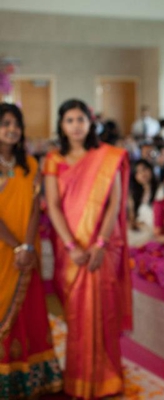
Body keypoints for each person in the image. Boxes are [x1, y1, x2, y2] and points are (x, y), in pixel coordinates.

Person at [43, 99, 131, 399]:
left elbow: (114, 204)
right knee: (77, 316)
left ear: (90, 122)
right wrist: (70, 245)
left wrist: (100, 245)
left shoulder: (108, 157)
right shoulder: (53, 160)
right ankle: (79, 379)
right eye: (69, 120)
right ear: (61, 125)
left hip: (102, 248)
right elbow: (52, 206)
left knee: (104, 312)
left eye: (81, 119)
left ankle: (107, 379)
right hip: (70, 250)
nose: (76, 125)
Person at [0, 103, 62, 398]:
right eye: (5, 123)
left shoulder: (31, 165)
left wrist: (26, 246)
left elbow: (37, 209)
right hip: (2, 251)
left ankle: (31, 377)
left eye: (16, 124)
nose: (12, 129)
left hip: (28, 250)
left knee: (31, 311)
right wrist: (15, 246)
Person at [128, 159, 159, 247]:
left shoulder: (161, 189)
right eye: (138, 172)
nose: (142, 174)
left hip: (156, 228)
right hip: (140, 228)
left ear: (151, 169)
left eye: (144, 169)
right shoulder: (134, 195)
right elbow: (132, 218)